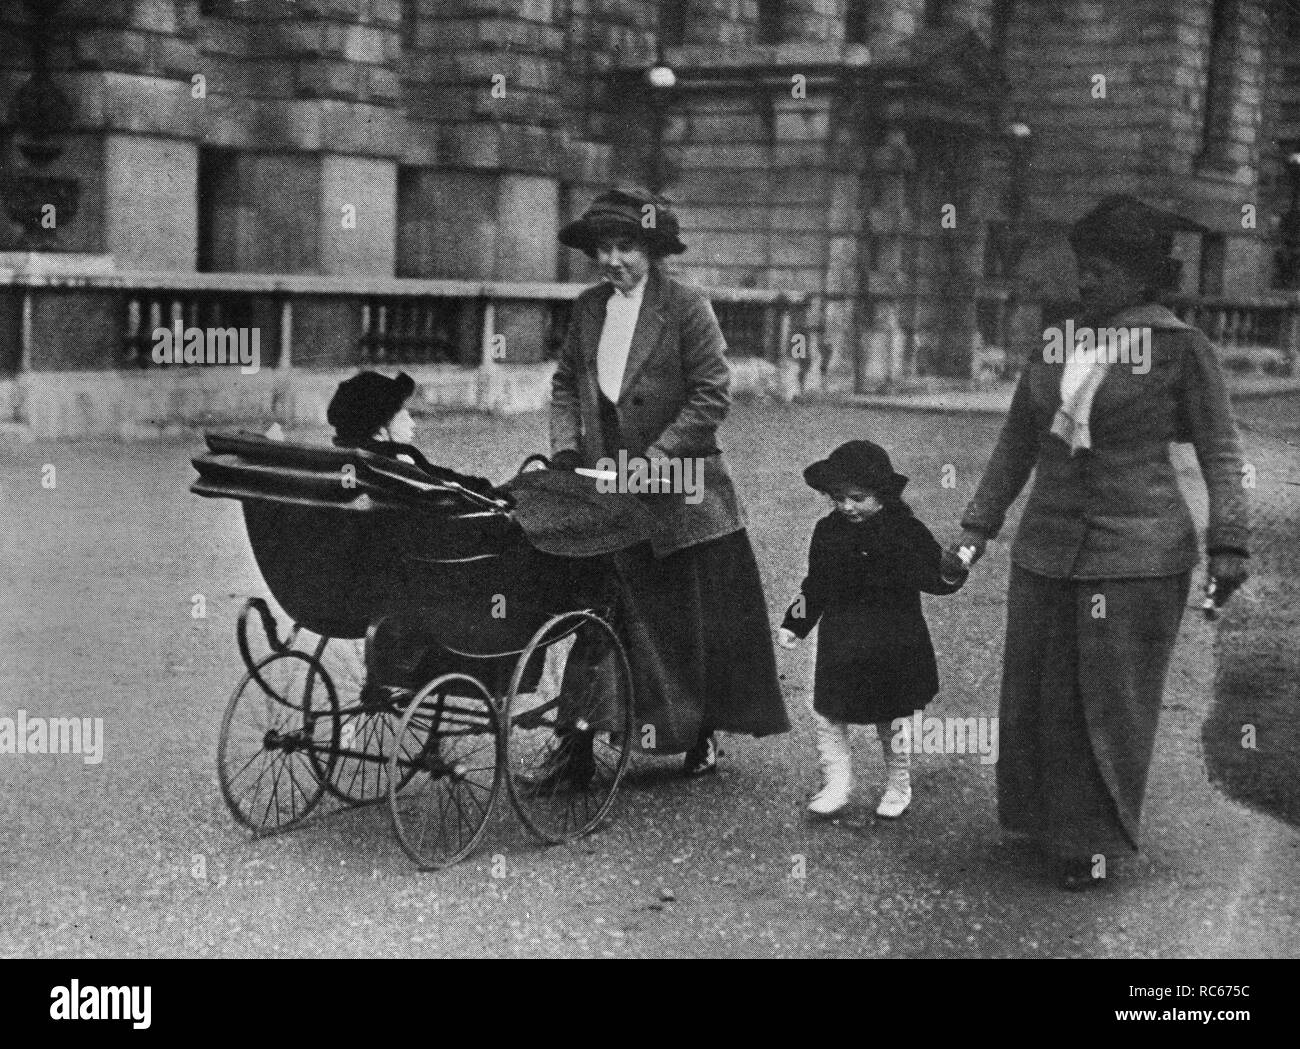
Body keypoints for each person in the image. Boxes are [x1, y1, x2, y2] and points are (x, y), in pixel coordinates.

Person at [952, 195, 1250, 890]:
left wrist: (1229, 544)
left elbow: (1222, 453)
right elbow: (1017, 441)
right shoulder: (1059, 339)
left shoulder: (1180, 348)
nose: (1088, 280)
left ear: (1146, 276)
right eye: (1085, 266)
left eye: (1106, 268)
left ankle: (1091, 840)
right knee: (1037, 691)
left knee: (1106, 701)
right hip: (1047, 548)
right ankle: (1042, 820)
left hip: (1137, 555)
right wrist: (975, 528)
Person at [543, 185, 790, 779]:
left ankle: (702, 733)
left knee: (692, 622)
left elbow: (712, 395)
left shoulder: (685, 307)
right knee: (601, 611)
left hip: (682, 488)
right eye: (603, 248)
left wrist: (654, 458)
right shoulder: (588, 308)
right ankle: (576, 746)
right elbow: (565, 385)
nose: (612, 260)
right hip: (609, 488)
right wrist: (566, 450)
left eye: (625, 246)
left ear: (652, 251)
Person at [778, 441, 967, 818]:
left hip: (893, 638)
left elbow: (935, 576)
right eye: (837, 498)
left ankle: (899, 784)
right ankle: (836, 783)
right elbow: (814, 585)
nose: (846, 506)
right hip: (842, 639)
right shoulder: (827, 531)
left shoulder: (906, 531)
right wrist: (794, 622)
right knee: (828, 713)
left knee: (891, 715)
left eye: (857, 498)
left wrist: (953, 568)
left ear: (883, 496)